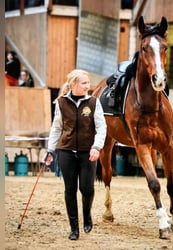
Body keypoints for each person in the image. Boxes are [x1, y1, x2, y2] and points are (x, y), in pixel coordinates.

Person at [43, 69, 107, 240]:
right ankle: (74, 228)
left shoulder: (93, 102)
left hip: (88, 153)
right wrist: (50, 150)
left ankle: (87, 215)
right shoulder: (61, 103)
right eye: (84, 83)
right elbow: (56, 128)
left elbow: (101, 127)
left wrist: (97, 147)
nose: (88, 86)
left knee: (87, 189)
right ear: (73, 84)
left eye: (88, 83)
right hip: (66, 152)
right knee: (69, 190)